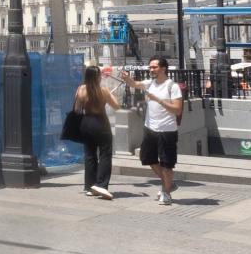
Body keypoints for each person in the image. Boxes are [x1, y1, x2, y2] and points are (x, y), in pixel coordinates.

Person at [121, 56, 183, 205]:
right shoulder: (149, 83)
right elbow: (135, 84)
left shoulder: (172, 86)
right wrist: (127, 78)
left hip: (167, 131)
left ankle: (166, 193)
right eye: (150, 67)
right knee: (147, 158)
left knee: (167, 164)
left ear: (163, 68)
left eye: (154, 67)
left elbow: (178, 109)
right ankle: (168, 184)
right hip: (150, 129)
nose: (151, 70)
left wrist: (158, 100)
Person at [72, 65, 121, 199]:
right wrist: (112, 93)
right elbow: (117, 106)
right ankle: (101, 185)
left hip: (86, 123)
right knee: (105, 154)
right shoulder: (103, 91)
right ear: (98, 76)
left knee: (89, 155)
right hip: (101, 124)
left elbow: (76, 110)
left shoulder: (81, 90)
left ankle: (89, 186)